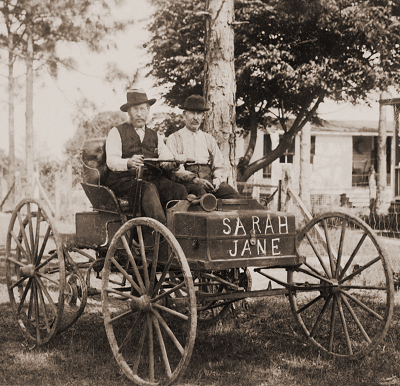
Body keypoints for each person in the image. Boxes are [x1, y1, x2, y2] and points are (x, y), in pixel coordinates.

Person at [105, 88, 187, 225]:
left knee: (179, 190)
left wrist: (176, 162)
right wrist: (129, 162)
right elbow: (111, 161)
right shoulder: (116, 132)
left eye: (143, 109)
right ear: (129, 111)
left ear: (148, 110)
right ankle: (161, 234)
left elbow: (165, 160)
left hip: (151, 179)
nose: (139, 114)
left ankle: (179, 230)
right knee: (148, 189)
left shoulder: (155, 135)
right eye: (135, 109)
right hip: (125, 180)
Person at [166, 94, 242, 199]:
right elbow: (174, 170)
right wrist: (195, 180)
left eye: (199, 113)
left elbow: (220, 164)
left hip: (210, 181)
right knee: (204, 199)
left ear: (203, 116)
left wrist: (217, 180)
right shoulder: (174, 138)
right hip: (188, 182)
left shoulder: (208, 139)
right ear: (185, 114)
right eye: (192, 113)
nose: (195, 117)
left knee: (234, 196)